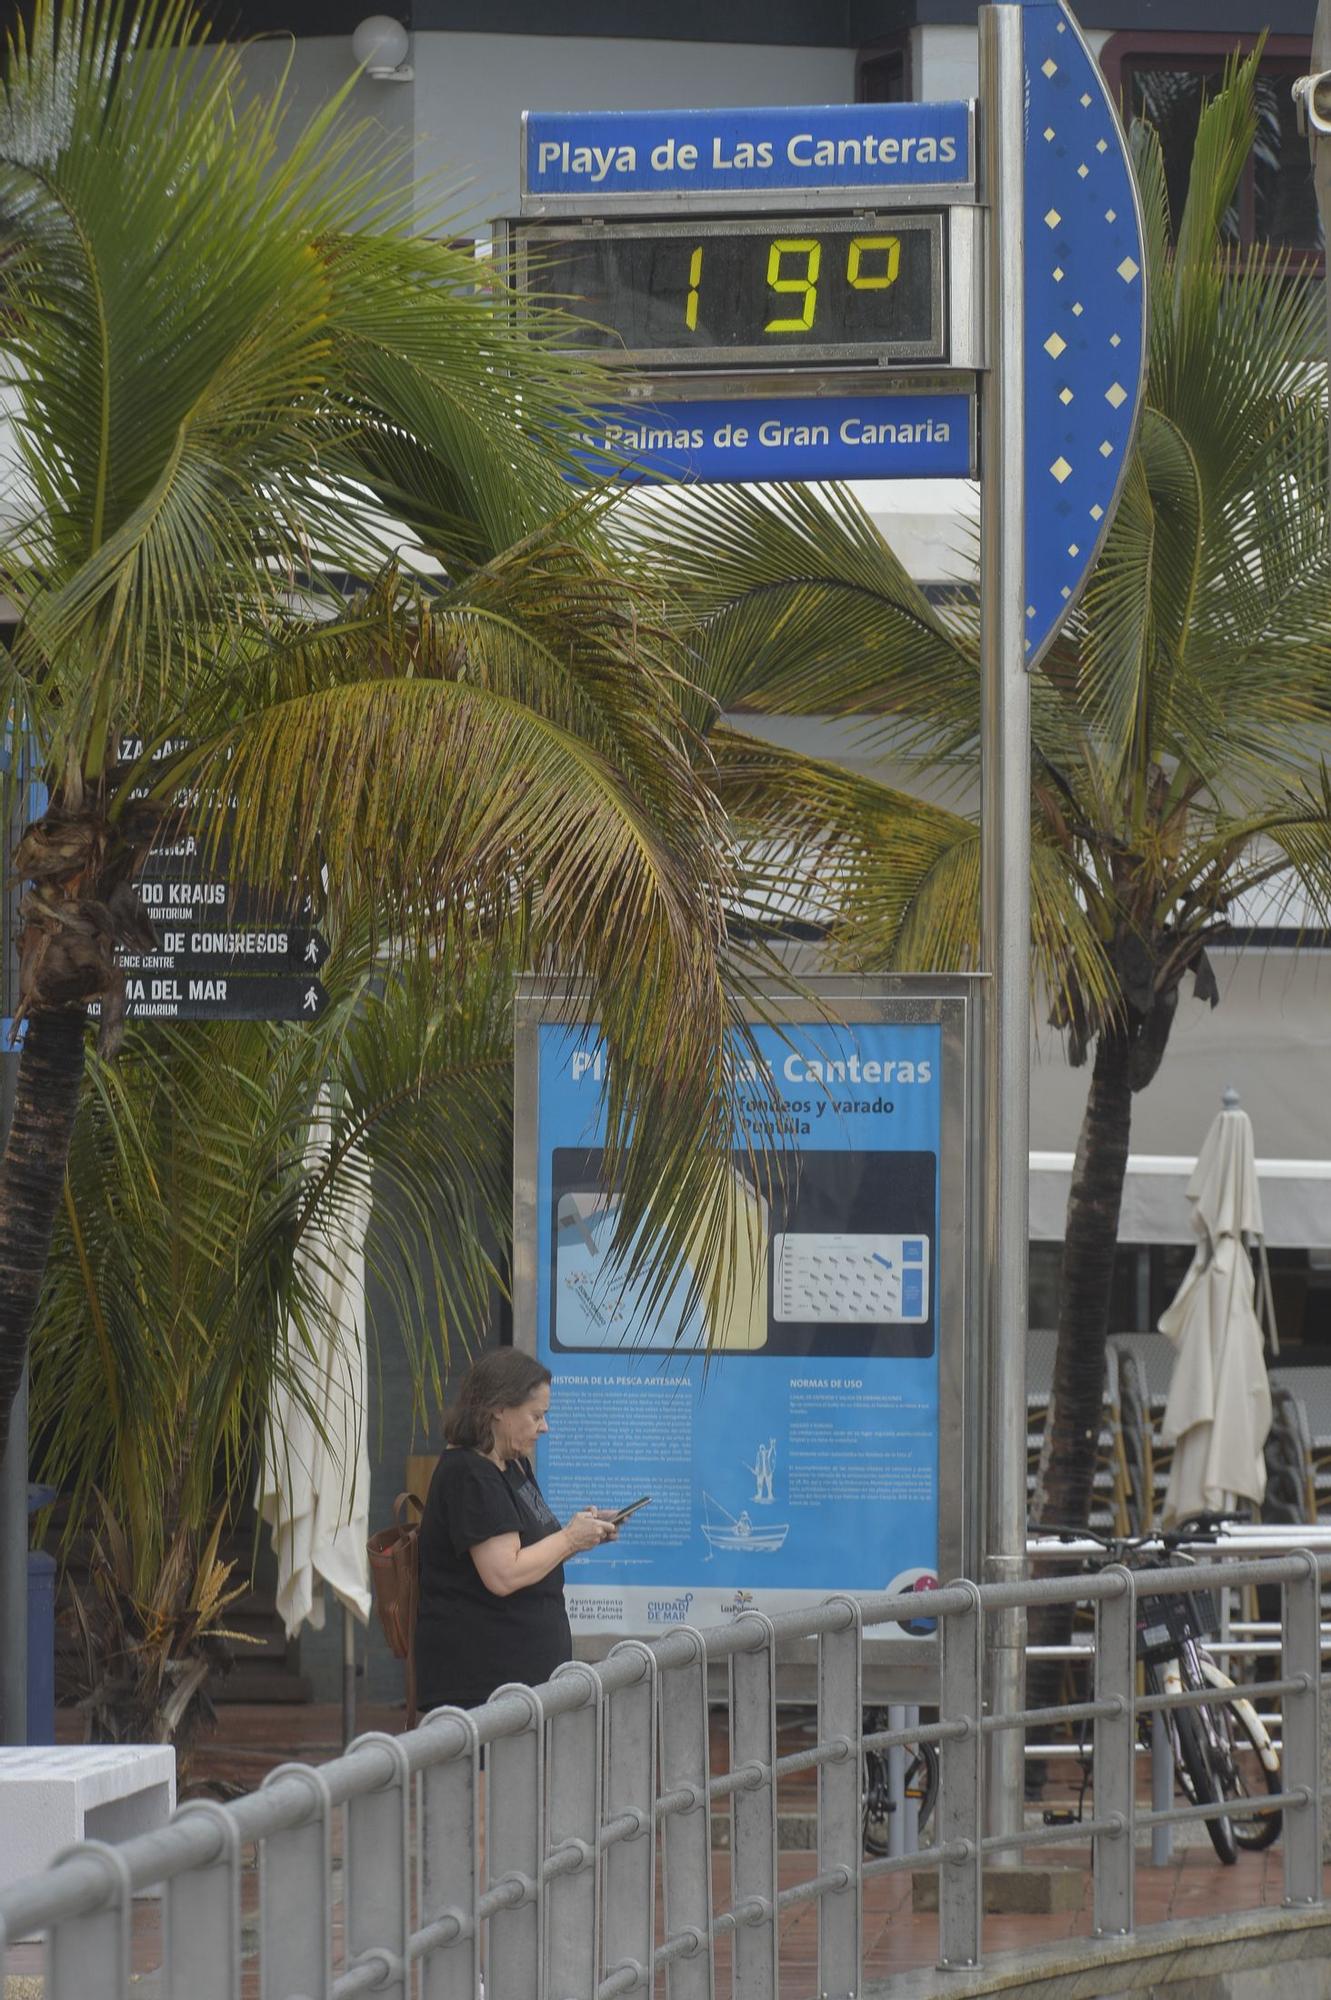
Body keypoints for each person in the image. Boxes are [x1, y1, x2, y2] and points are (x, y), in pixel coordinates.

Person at [414, 1348, 617, 1715]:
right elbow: (503, 1574)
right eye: (536, 1415)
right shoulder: (470, 1474)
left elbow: (534, 1546)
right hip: (480, 1686)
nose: (544, 1427)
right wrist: (570, 1538)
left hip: (521, 1681)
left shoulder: (513, 1465)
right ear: (499, 1409)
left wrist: (585, 1531)